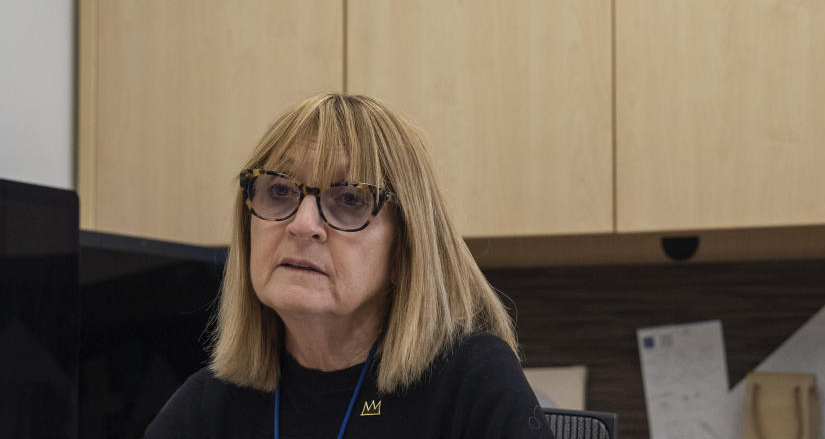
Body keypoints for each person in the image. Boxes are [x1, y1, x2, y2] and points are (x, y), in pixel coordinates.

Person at [145, 93, 554, 438]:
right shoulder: (206, 407)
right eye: (281, 190)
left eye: (350, 199)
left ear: (405, 249)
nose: (303, 225)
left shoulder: (468, 380)